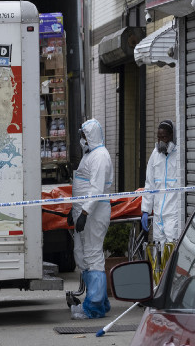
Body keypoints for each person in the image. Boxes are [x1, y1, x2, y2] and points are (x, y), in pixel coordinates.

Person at [67, 118, 114, 320]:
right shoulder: (90, 156)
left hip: (93, 214)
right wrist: (74, 210)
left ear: (91, 136)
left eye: (84, 136)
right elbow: (82, 185)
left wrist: (84, 213)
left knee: (93, 256)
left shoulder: (100, 157)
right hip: (84, 213)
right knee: (83, 256)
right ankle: (98, 302)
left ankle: (93, 307)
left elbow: (95, 189)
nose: (81, 139)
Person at [141, 120, 181, 244]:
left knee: (171, 251)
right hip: (158, 215)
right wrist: (146, 210)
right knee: (157, 253)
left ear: (171, 136)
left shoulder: (179, 155)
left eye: (163, 137)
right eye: (158, 137)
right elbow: (149, 184)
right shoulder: (155, 154)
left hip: (173, 216)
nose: (160, 141)